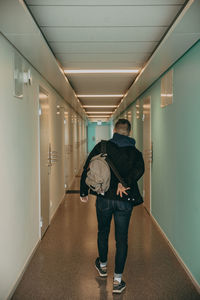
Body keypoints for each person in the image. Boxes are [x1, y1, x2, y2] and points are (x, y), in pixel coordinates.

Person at [80, 119, 144, 294]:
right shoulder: (135, 153)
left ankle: (102, 265)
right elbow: (140, 170)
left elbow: (88, 167)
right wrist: (125, 183)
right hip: (125, 200)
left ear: (115, 130)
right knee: (121, 239)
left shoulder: (103, 147)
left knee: (103, 231)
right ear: (129, 132)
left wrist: (83, 192)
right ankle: (117, 281)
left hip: (104, 198)